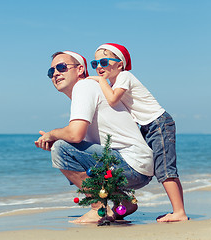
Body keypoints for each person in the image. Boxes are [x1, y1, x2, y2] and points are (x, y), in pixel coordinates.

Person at [35, 50, 153, 223]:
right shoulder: (90, 89)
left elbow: (75, 134)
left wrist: (52, 134)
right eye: (51, 72)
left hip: (130, 164)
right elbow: (80, 143)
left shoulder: (84, 87)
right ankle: (124, 202)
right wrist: (55, 139)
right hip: (138, 167)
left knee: (61, 149)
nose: (56, 74)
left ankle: (99, 209)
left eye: (61, 67)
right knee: (62, 146)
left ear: (80, 69)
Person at [87, 43, 188, 222]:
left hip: (158, 123)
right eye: (95, 64)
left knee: (165, 169)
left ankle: (179, 212)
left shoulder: (124, 76)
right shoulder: (114, 82)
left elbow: (112, 100)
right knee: (161, 168)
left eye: (103, 61)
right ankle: (177, 209)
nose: (99, 67)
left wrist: (100, 81)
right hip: (148, 127)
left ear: (120, 64)